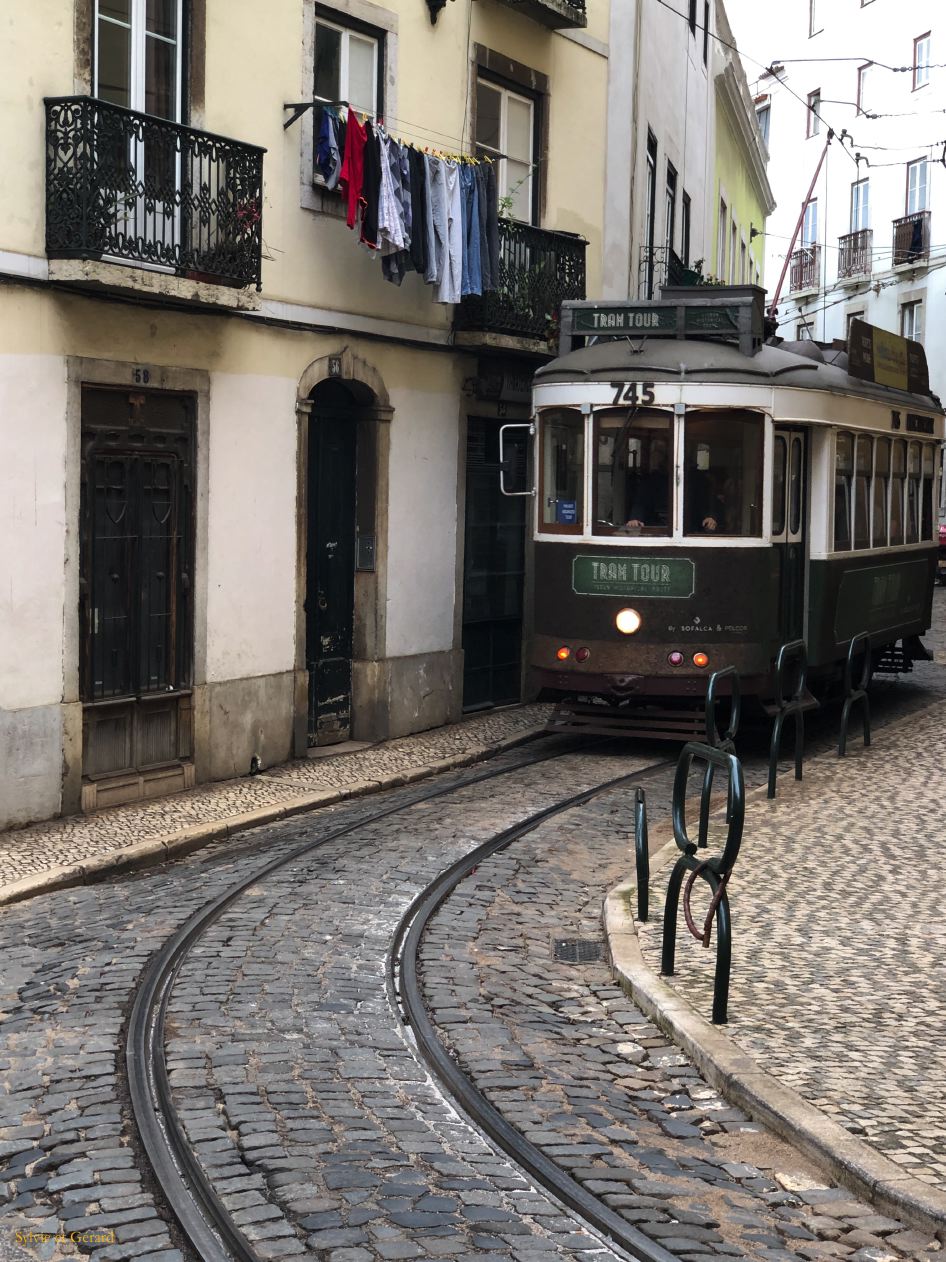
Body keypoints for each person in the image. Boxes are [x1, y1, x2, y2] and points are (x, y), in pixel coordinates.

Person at [624, 437, 671, 530]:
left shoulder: (689, 480)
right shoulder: (650, 480)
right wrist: (635, 519)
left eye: (660, 453)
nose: (655, 457)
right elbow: (640, 502)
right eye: (654, 453)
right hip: (653, 527)